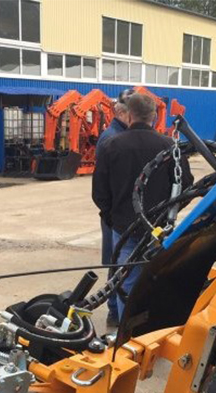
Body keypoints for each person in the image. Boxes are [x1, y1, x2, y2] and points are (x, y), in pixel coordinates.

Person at [91, 93, 176, 321]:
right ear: (154, 116)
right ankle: (150, 330)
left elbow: (99, 192)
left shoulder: (112, 145)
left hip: (124, 228)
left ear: (129, 115)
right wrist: (166, 212)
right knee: (156, 279)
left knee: (125, 281)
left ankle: (125, 329)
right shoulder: (168, 145)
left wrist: (112, 217)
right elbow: (184, 183)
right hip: (158, 228)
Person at [94, 91, 132, 327]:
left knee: (122, 262)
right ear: (122, 113)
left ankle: (118, 310)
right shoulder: (111, 138)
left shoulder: (121, 136)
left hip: (119, 213)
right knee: (117, 263)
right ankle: (114, 312)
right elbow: (102, 184)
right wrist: (110, 214)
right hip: (115, 215)